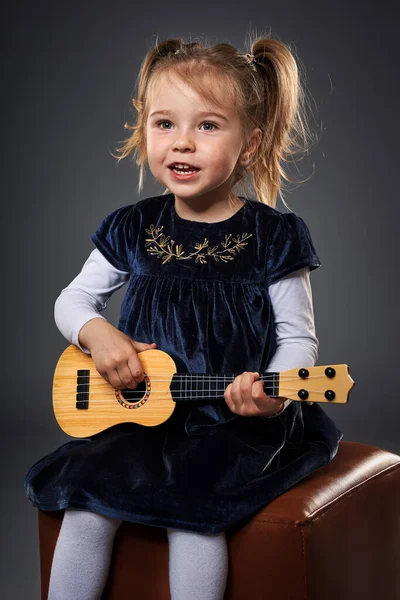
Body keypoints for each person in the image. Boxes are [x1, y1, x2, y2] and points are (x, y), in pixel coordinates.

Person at [24, 34, 343, 600]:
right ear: (143, 128)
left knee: (193, 515)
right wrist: (98, 334)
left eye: (208, 126)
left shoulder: (274, 237)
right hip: (140, 420)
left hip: (227, 425)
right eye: (165, 123)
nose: (183, 144)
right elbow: (71, 302)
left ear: (249, 145)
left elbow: (299, 340)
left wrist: (273, 389)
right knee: (86, 506)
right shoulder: (133, 226)